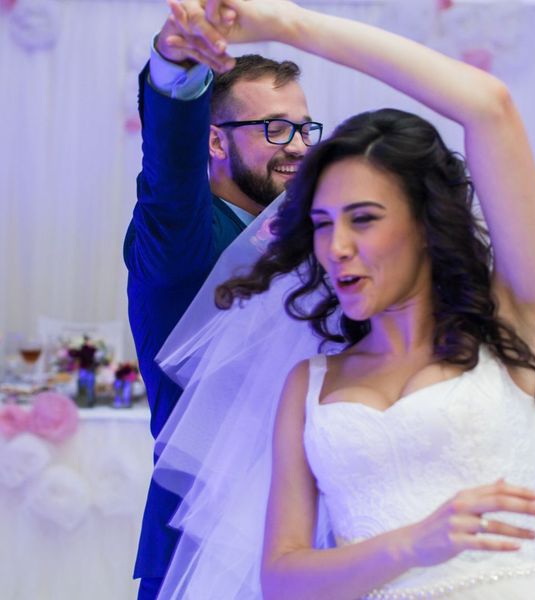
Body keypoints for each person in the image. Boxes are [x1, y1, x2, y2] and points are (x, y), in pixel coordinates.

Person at [152, 0, 535, 598]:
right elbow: (282, 577)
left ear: (425, 223)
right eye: (323, 222)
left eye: (363, 219)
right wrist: (413, 544)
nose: (335, 247)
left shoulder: (516, 329)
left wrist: (288, 24)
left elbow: (490, 108)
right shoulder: (309, 383)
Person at [122, 1, 322, 596]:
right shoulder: (179, 237)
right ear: (213, 140)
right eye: (274, 128)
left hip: (313, 537)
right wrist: (175, 67)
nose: (298, 146)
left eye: (304, 127)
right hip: (199, 540)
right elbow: (168, 174)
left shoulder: (319, 232)